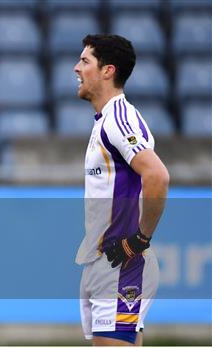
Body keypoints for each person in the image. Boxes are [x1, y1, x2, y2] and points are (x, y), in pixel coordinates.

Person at [74, 34, 169, 346]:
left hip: (122, 263)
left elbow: (157, 175)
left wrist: (140, 240)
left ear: (107, 70)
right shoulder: (106, 120)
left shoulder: (118, 118)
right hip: (107, 260)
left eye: (85, 61)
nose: (77, 68)